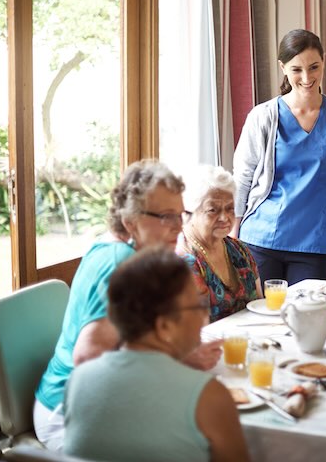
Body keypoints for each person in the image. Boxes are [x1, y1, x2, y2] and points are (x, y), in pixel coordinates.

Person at [34, 160, 222, 451]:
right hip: (70, 413)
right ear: (130, 221)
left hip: (98, 401)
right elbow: (88, 359)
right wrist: (180, 362)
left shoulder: (127, 253)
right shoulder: (119, 263)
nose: (177, 227)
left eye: (179, 215)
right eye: (165, 217)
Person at [63, 247, 250, 462]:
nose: (205, 314)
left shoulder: (78, 380)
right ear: (163, 326)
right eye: (197, 306)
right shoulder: (208, 396)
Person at [233, 29, 326, 285]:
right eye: (296, 70)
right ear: (283, 68)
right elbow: (243, 177)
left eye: (314, 67)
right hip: (261, 237)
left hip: (313, 241)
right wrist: (233, 233)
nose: (307, 78)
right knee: (260, 318)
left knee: (307, 318)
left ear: (324, 61)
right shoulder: (263, 116)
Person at [178, 165, 262, 322]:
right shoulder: (183, 261)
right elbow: (195, 330)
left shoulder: (240, 250)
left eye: (230, 209)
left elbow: (259, 304)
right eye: (213, 210)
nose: (224, 217)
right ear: (190, 210)